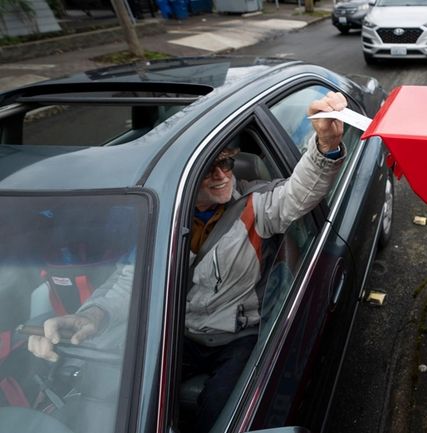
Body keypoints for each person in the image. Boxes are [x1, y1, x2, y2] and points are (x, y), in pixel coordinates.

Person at [27, 92, 349, 432]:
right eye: (209, 168)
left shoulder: (256, 205)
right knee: (113, 394)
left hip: (238, 337)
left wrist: (325, 145)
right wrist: (91, 316)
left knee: (217, 409)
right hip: (179, 332)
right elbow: (131, 281)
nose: (222, 175)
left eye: (227, 163)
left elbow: (300, 193)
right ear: (186, 177)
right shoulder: (161, 214)